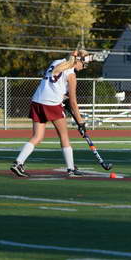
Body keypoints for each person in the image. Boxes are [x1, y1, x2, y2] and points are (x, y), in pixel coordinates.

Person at [10, 49, 93, 177]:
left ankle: (18, 163)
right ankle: (71, 169)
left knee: (37, 136)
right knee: (64, 136)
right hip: (51, 104)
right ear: (79, 61)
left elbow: (53, 85)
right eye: (84, 64)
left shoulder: (55, 63)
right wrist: (81, 122)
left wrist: (63, 99)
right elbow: (73, 103)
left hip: (37, 101)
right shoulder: (71, 75)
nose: (84, 67)